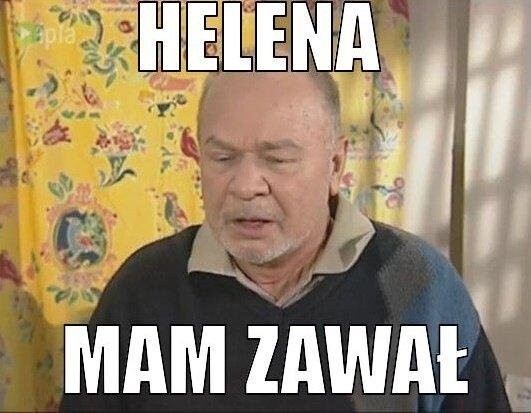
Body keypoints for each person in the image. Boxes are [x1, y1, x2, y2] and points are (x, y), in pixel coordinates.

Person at [60, 68, 510, 412]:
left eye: (276, 159)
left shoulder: (416, 281)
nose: (246, 186)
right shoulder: (142, 290)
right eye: (222, 158)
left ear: (335, 165)